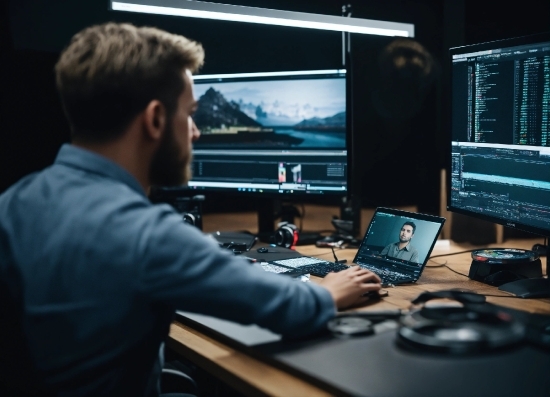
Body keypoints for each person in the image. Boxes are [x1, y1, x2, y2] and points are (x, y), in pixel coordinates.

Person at [0, 23, 382, 396]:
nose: (196, 132)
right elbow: (284, 306)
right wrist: (331, 292)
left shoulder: (11, 203)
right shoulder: (145, 233)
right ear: (155, 119)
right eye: (190, 113)